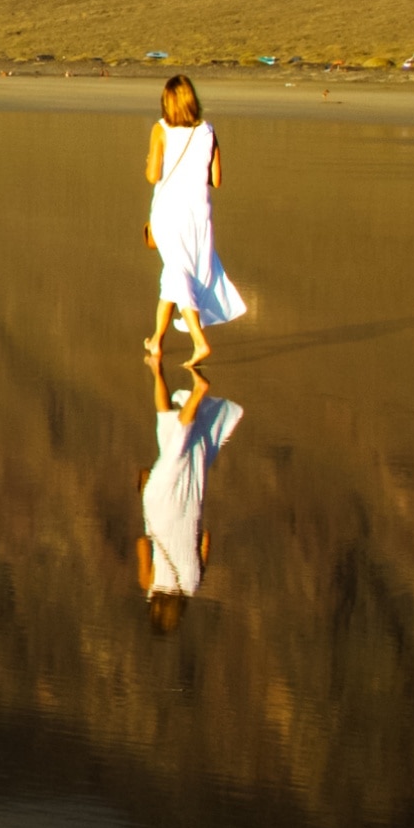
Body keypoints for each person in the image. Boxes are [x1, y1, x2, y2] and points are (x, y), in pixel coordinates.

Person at [142, 73, 247, 363]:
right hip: (199, 214)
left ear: (167, 102)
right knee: (175, 274)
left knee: (178, 272)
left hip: (168, 212)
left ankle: (199, 342)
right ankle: (156, 342)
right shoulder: (208, 131)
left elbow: (153, 176)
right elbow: (216, 179)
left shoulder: (160, 129)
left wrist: (151, 162)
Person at [136, 373, 242, 633]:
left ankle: (155, 366)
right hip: (159, 509)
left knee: (171, 441)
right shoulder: (149, 584)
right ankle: (197, 392)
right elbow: (142, 543)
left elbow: (205, 539)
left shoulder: (193, 586)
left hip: (190, 506)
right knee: (174, 448)